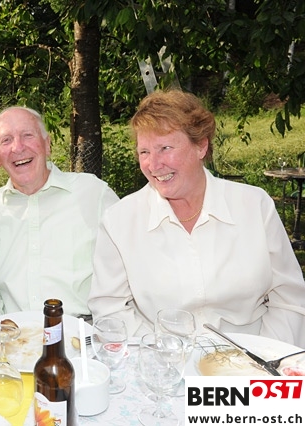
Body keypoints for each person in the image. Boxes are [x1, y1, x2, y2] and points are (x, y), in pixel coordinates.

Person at [89, 90, 305, 346]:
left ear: (201, 146)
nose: (154, 165)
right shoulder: (120, 221)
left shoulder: (254, 206)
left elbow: (289, 299)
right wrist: (159, 355)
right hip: (162, 360)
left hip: (251, 356)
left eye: (165, 148)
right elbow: (110, 309)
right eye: (144, 152)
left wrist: (265, 354)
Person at [0, 106, 119, 320]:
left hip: (85, 331)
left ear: (47, 144)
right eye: (6, 140)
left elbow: (128, 270)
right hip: (13, 334)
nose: (18, 147)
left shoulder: (93, 193)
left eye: (27, 135)